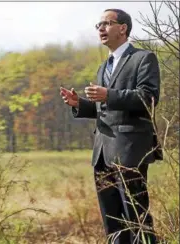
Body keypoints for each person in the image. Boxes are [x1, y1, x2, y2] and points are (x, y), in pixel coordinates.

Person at [60, 9, 161, 244]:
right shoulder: (104, 66)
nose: (101, 29)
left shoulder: (143, 58)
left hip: (130, 151)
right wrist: (81, 105)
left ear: (123, 28)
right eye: (98, 25)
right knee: (113, 223)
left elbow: (149, 99)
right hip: (102, 154)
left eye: (106, 23)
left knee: (137, 219)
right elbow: (105, 110)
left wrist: (109, 94)